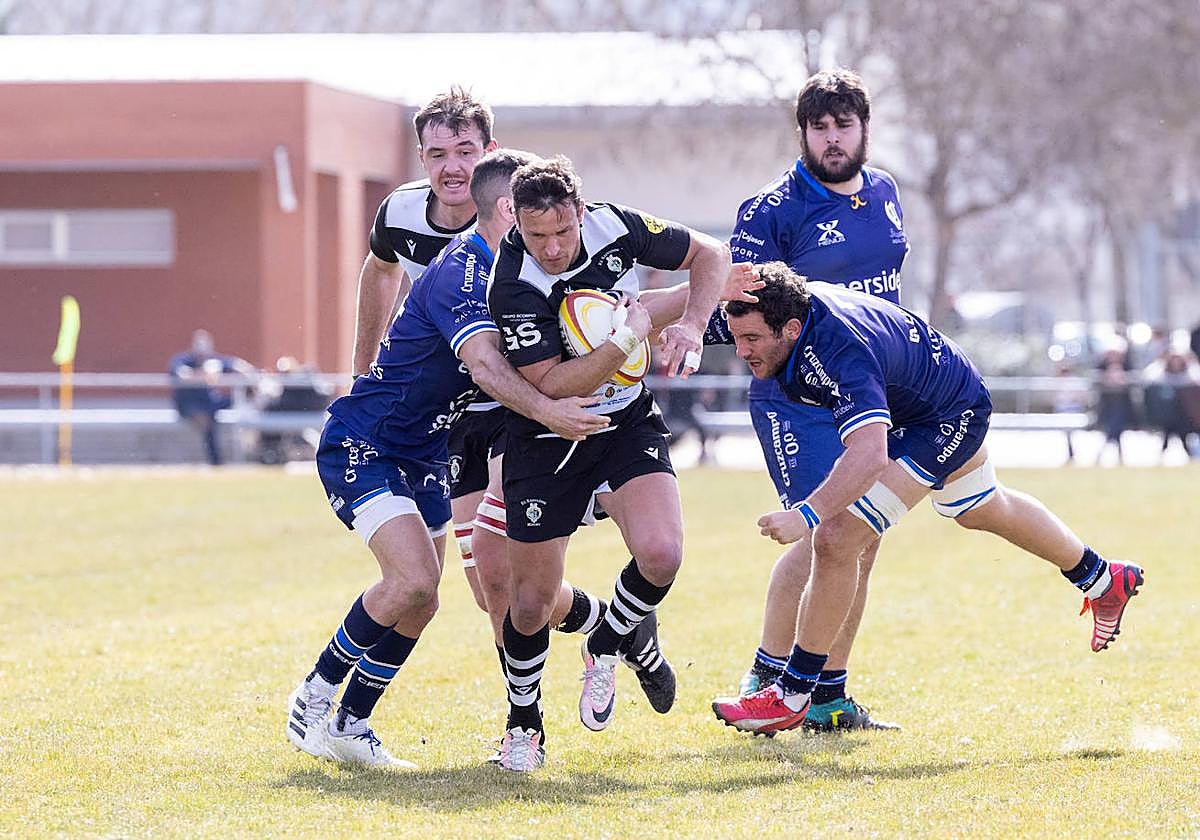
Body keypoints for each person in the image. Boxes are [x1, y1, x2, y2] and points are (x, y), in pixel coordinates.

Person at [710, 263, 1145, 736]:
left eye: (751, 339)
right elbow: (684, 301)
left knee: (835, 538)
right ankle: (1102, 578)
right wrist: (670, 324)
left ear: (790, 329)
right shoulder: (783, 310)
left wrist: (806, 514)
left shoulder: (836, 352)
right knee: (980, 508)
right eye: (736, 336)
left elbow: (870, 454)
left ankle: (793, 694)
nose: (741, 350)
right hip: (939, 394)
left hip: (944, 415)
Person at [284, 149, 608, 769]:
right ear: (508, 209)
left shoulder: (519, 272)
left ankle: (351, 724)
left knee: (425, 600)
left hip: (423, 452)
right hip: (367, 442)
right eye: (532, 211)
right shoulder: (466, 272)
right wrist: (551, 413)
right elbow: (485, 366)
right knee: (410, 580)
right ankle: (312, 698)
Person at [485, 155, 731, 771]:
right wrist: (630, 335)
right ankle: (525, 726)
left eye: (563, 231)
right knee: (532, 601)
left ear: (581, 212)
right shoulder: (512, 281)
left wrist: (695, 325)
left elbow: (710, 255)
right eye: (537, 235)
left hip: (625, 421)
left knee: (663, 553)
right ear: (515, 220)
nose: (552, 247)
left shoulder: (616, 225)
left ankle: (608, 638)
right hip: (547, 431)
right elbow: (557, 382)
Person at [707, 68, 907, 730]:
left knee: (861, 539)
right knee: (831, 532)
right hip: (797, 394)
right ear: (803, 133)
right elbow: (738, 304)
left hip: (868, 386)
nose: (831, 138)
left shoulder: (885, 192)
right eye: (818, 127)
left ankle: (827, 698)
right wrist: (671, 322)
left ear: (864, 129)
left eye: (842, 125)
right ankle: (766, 679)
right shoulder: (772, 210)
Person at [167, 329, 255, 465]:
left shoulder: (213, 360)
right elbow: (184, 376)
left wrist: (251, 373)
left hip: (210, 403)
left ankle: (250, 450)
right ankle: (216, 462)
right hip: (188, 405)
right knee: (206, 421)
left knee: (244, 400)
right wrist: (204, 374)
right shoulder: (182, 360)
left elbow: (237, 364)